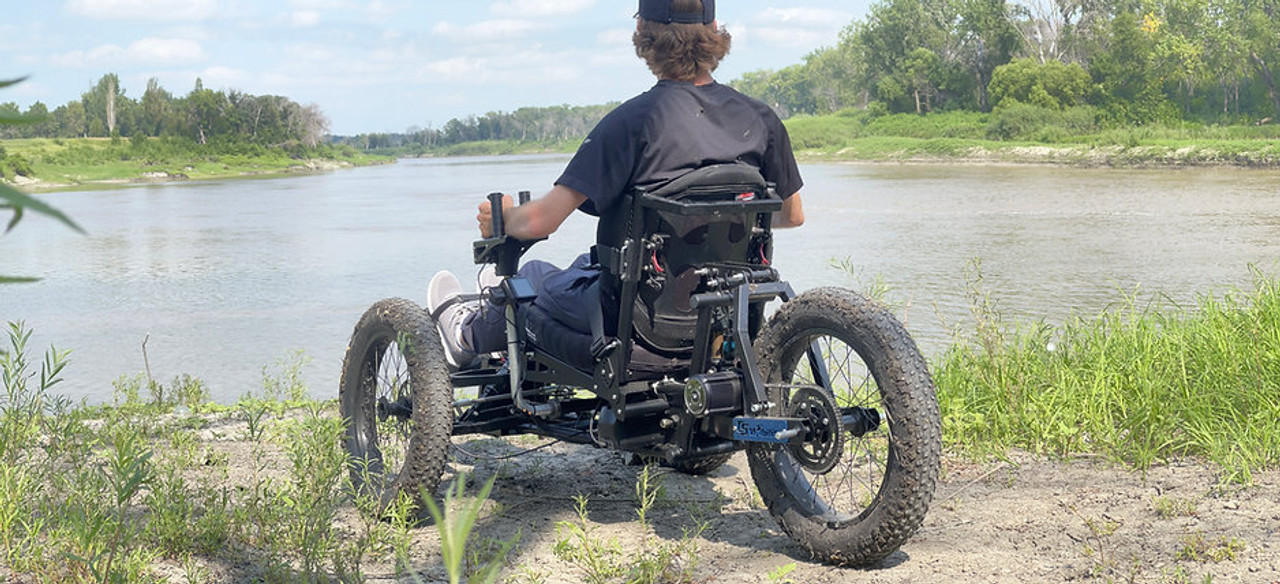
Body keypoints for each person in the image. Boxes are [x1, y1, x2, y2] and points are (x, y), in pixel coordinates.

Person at [428, 0, 805, 369]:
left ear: (641, 31)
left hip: (636, 332)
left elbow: (540, 222)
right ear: (714, 29)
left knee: (532, 275)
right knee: (584, 265)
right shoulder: (760, 119)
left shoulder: (632, 123)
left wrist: (506, 217)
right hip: (726, 324)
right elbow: (792, 215)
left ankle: (465, 337)